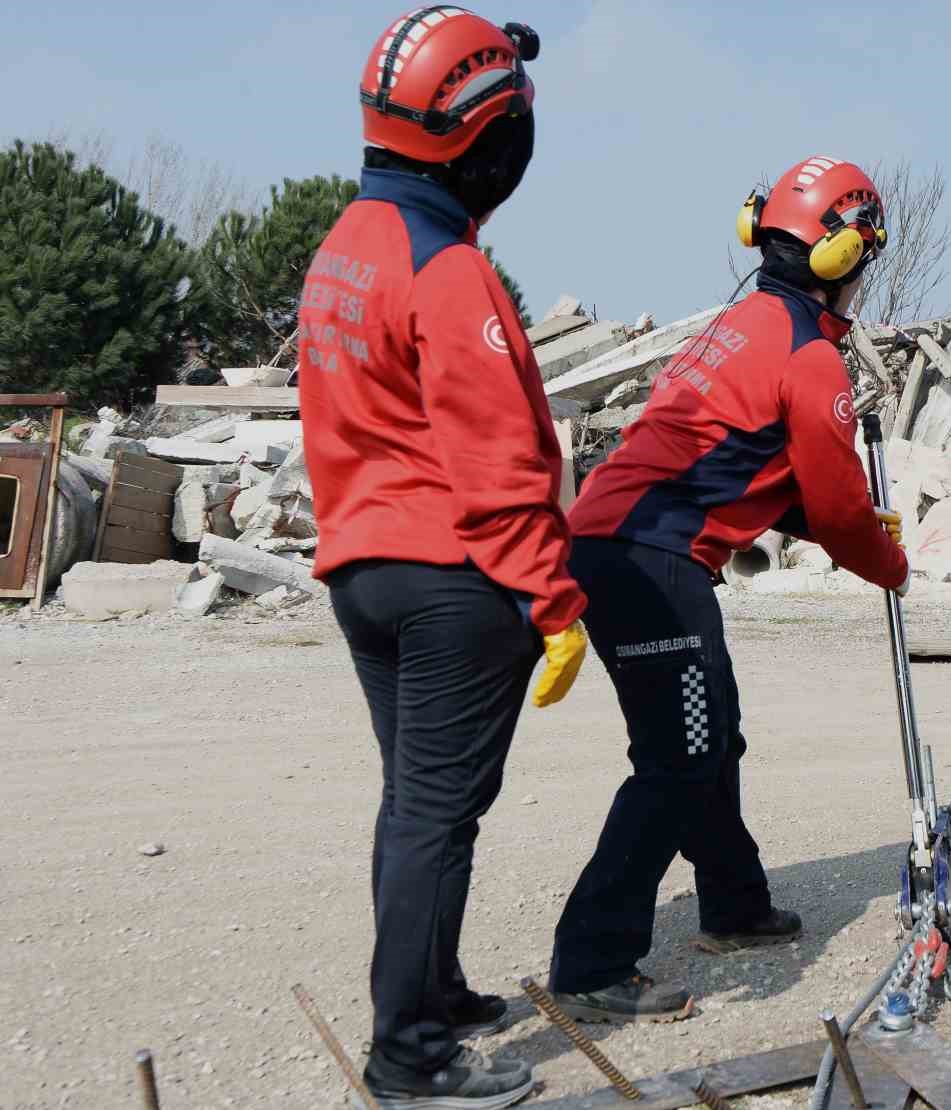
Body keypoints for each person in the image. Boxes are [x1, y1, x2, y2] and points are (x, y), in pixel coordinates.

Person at [541, 156, 910, 1022]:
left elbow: (745, 472)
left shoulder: (742, 322)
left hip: (617, 545)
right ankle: (593, 961)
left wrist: (837, 524)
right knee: (680, 757)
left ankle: (735, 904)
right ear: (846, 253)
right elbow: (831, 498)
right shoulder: (809, 358)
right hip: (651, 562)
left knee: (711, 735)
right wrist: (886, 561)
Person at [298, 9, 586, 1107]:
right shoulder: (447, 266)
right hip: (453, 579)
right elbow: (501, 458)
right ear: (484, 137)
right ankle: (410, 1053)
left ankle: (435, 984)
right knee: (435, 812)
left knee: (414, 801)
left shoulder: (347, 247)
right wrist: (553, 602)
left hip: (363, 571)